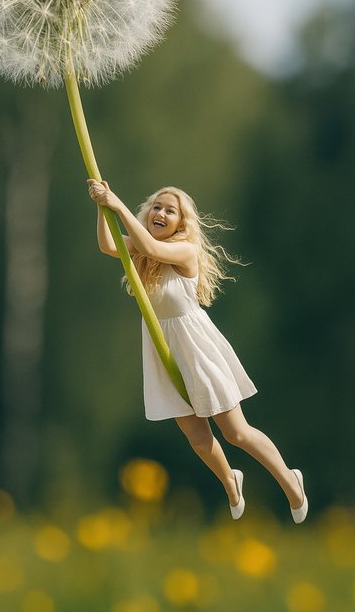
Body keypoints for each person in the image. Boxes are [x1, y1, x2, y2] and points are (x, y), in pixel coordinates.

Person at [87, 179, 308, 523]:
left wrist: (116, 205)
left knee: (235, 432)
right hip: (163, 349)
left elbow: (148, 246)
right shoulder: (142, 251)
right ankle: (231, 480)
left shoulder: (184, 250)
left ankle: (290, 479)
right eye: (157, 207)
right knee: (198, 437)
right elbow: (107, 246)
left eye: (169, 210)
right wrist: (101, 207)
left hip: (196, 346)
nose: (160, 213)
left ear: (181, 223)